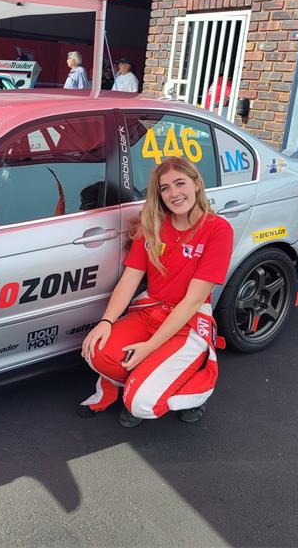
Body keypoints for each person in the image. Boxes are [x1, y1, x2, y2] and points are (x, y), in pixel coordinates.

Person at [78, 156, 233, 427]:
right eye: (165, 188)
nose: (174, 193)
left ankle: (193, 379)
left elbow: (193, 300)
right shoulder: (153, 225)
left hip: (188, 319)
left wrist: (150, 346)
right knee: (97, 349)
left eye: (180, 183)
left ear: (196, 184)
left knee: (141, 405)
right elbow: (130, 278)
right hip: (151, 310)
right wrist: (106, 321)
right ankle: (144, 379)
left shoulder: (217, 229)